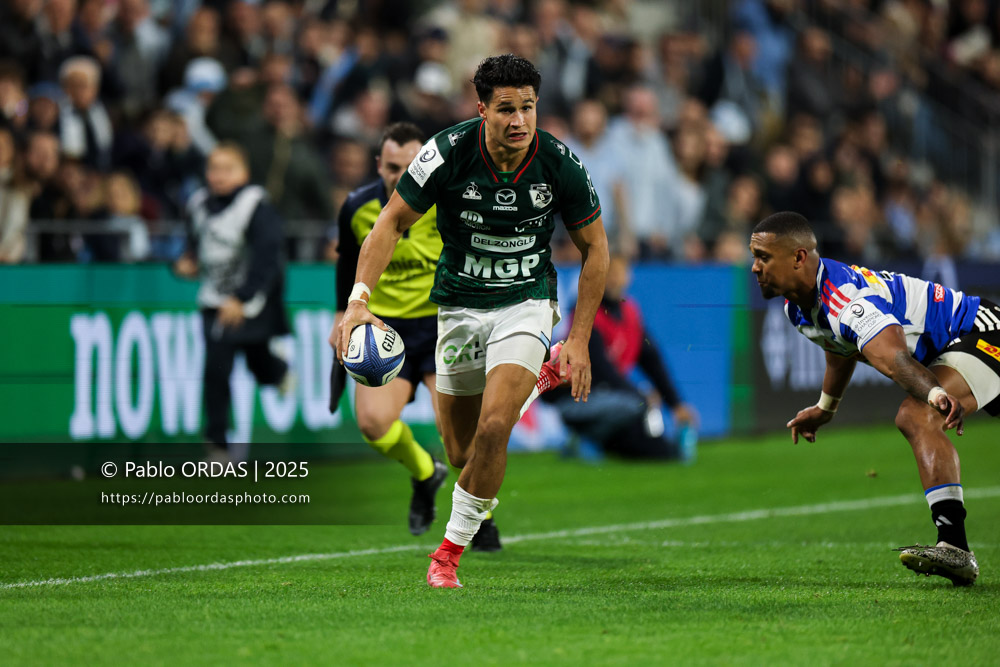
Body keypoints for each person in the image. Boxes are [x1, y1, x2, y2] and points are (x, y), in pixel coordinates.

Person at [336, 54, 609, 588]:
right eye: (506, 109)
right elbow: (390, 223)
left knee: (493, 428)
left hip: (526, 303)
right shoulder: (446, 152)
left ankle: (446, 557)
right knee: (463, 452)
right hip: (459, 308)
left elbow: (596, 248)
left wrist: (578, 337)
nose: (520, 121)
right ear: (481, 108)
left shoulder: (559, 163)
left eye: (528, 107)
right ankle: (541, 380)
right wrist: (358, 300)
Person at [749, 211, 998, 586]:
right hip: (956, 350)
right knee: (916, 413)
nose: (754, 267)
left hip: (984, 332)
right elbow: (841, 346)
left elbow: (895, 358)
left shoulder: (845, 298)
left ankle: (955, 547)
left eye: (763, 256)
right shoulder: (798, 308)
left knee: (916, 415)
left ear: (799, 257)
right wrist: (825, 407)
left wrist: (934, 393)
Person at [331, 122, 450, 538]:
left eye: (412, 165)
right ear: (378, 165)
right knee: (373, 424)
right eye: (392, 167)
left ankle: (482, 519)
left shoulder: (448, 200)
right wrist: (340, 314)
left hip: (442, 326)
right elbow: (347, 262)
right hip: (386, 327)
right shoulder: (357, 207)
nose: (401, 176)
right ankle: (424, 472)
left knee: (457, 435)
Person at [174, 143, 292, 456]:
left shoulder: (256, 206)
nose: (219, 176)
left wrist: (242, 298)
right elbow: (193, 246)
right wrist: (185, 263)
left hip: (253, 302)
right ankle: (217, 445)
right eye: (214, 168)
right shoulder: (197, 204)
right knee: (216, 370)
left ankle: (278, 370)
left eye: (228, 169)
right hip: (215, 301)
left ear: (244, 173)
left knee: (260, 365)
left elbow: (268, 256)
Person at [549, 254, 698, 460]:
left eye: (619, 273)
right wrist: (639, 394)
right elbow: (601, 371)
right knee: (635, 406)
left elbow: (652, 361)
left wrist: (676, 404)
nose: (614, 279)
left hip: (610, 396)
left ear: (629, 277)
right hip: (575, 396)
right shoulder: (587, 313)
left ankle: (657, 449)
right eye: (609, 274)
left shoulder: (630, 313)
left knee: (635, 424)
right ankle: (587, 437)